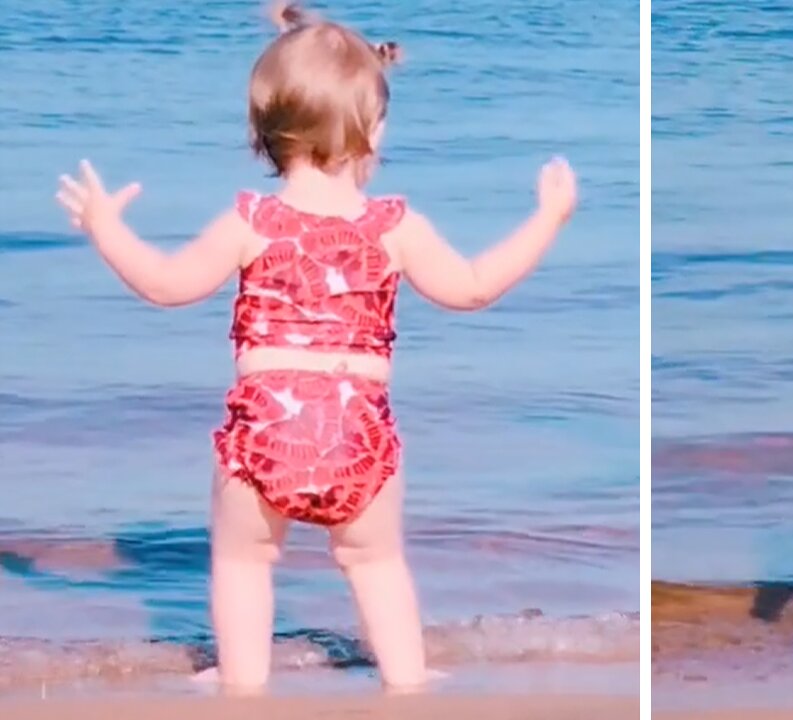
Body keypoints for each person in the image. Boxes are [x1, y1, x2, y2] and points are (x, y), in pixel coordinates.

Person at [54, 0, 577, 693]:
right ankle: (408, 681)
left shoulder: (251, 221)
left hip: (267, 429)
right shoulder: (395, 225)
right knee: (375, 563)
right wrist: (547, 219)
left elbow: (166, 285)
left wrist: (104, 228)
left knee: (244, 563)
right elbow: (474, 287)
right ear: (374, 130)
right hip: (357, 433)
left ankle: (242, 686)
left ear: (263, 131)